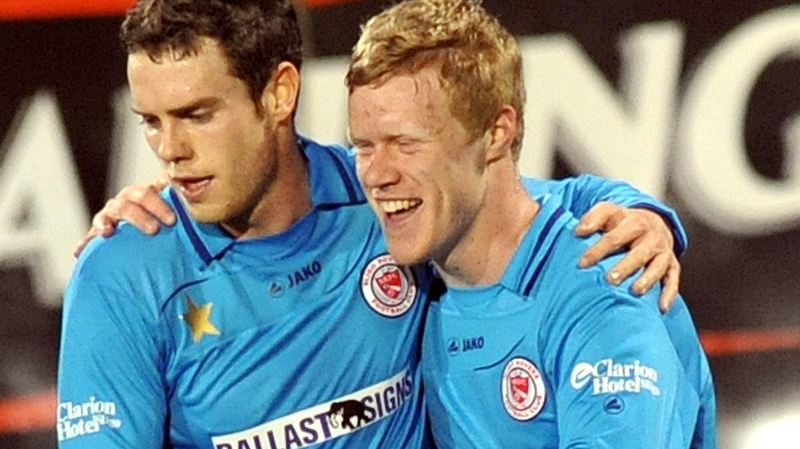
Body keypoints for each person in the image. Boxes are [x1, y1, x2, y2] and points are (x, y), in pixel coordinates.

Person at [60, 0, 689, 448]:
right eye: (151, 120)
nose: (169, 149)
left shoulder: (388, 209)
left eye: (197, 114)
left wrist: (645, 214)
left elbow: (511, 201)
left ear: (279, 94)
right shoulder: (125, 270)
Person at [345, 0, 716, 447]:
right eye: (363, 147)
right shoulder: (427, 260)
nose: (376, 175)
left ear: (497, 133)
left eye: (406, 143)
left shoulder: (603, 292)